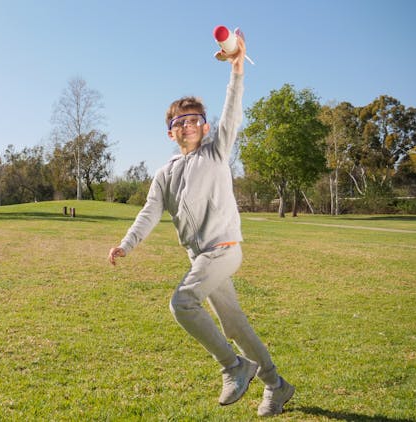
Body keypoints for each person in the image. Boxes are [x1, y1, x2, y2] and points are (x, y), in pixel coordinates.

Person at [107, 36, 294, 417]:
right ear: (170, 132)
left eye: (195, 119)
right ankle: (277, 385)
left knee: (182, 303)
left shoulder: (216, 150)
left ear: (205, 128)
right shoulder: (164, 174)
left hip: (224, 249)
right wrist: (127, 244)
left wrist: (236, 68)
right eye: (181, 121)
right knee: (235, 326)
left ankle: (234, 367)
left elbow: (233, 112)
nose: (189, 124)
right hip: (200, 258)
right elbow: (149, 212)